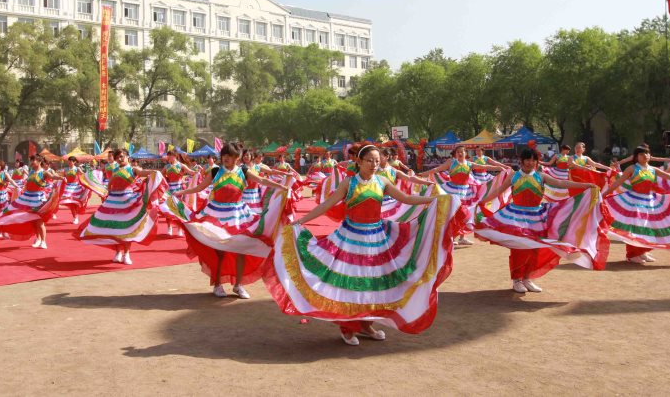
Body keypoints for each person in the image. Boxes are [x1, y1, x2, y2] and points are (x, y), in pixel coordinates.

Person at [263, 145, 464, 346]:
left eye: (377, 161)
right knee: (350, 285)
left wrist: (436, 200)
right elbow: (326, 205)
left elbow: (407, 198)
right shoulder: (348, 183)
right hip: (349, 239)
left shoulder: (382, 181)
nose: (374, 164)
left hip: (376, 239)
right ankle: (348, 327)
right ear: (359, 161)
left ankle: (366, 325)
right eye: (370, 160)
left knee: (373, 285)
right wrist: (300, 221)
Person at [161, 143, 292, 299]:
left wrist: (282, 187)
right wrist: (180, 192)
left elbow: (262, 181)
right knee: (219, 251)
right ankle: (217, 284)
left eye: (229, 156)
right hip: (216, 214)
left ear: (237, 158)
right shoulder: (216, 171)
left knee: (241, 249)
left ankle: (238, 285)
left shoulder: (243, 171)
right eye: (224, 155)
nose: (226, 158)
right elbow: (199, 188)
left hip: (239, 214)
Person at [474, 148, 603, 293]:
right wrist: (483, 202)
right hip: (515, 216)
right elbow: (499, 191)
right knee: (518, 248)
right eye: (527, 159)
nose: (530, 163)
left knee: (535, 249)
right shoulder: (514, 176)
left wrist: (585, 185)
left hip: (537, 217)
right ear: (522, 161)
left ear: (536, 162)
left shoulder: (541, 176)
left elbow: (560, 183)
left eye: (533, 160)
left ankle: (527, 278)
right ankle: (516, 280)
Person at [602, 145, 670, 264]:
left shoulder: (653, 169)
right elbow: (617, 183)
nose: (645, 156)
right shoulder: (632, 168)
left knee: (650, 227)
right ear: (636, 157)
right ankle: (632, 254)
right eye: (642, 154)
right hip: (634, 201)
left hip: (650, 200)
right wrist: (604, 194)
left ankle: (642, 252)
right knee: (637, 227)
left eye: (647, 154)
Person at [77, 149, 165, 265]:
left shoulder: (133, 169)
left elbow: (143, 172)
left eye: (121, 156)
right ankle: (118, 252)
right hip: (112, 201)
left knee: (126, 229)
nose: (119, 159)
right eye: (117, 157)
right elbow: (110, 182)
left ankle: (126, 254)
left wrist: (154, 172)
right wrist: (107, 192)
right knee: (114, 229)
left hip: (127, 202)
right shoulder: (115, 169)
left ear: (127, 157)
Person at [418, 145, 509, 245]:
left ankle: (462, 237)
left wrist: (501, 168)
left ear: (466, 153)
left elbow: (485, 166)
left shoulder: (469, 164)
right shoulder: (451, 162)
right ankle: (451, 235)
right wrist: (424, 173)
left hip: (466, 192)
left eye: (462, 152)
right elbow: (437, 169)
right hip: (452, 190)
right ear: (456, 154)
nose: (460, 153)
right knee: (452, 213)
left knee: (466, 214)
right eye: (458, 152)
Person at [0, 155, 65, 249]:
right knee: (29, 219)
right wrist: (22, 191)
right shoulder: (31, 172)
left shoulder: (44, 173)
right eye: (31, 161)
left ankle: (43, 241)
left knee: (39, 221)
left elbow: (53, 176)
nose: (31, 163)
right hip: (27, 198)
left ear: (39, 162)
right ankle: (37, 239)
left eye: (33, 161)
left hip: (37, 199)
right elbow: (27, 184)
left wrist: (61, 178)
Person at [60, 156, 89, 225]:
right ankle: (75, 217)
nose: (69, 163)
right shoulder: (66, 169)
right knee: (71, 203)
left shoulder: (77, 169)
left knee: (75, 203)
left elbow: (83, 175)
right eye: (68, 161)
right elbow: (63, 177)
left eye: (71, 161)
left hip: (76, 188)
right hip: (67, 188)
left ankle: (76, 215)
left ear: (74, 162)